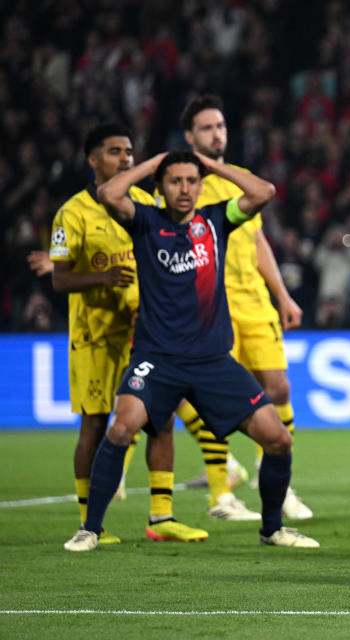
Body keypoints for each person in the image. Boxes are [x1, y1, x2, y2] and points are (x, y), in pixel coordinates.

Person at [63, 150, 318, 551]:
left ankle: (273, 529)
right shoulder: (146, 222)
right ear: (160, 187)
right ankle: (90, 529)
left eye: (191, 181)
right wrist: (155, 162)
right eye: (175, 181)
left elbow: (264, 191)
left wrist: (211, 165)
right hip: (157, 358)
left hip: (213, 361)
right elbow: (110, 194)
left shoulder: (216, 220)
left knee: (278, 440)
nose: (185, 189)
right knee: (120, 427)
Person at [44, 123, 207, 545]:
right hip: (96, 335)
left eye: (129, 151)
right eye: (115, 152)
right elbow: (60, 281)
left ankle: (162, 515)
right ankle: (88, 519)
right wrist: (102, 275)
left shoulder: (146, 203)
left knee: (162, 419)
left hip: (146, 334)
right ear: (93, 159)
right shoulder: (72, 213)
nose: (125, 158)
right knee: (96, 426)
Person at [173, 95, 312, 522]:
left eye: (221, 126)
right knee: (214, 400)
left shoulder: (241, 179)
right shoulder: (184, 184)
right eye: (208, 128)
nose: (218, 134)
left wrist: (282, 294)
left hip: (254, 302)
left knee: (280, 388)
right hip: (211, 307)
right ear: (190, 136)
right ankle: (220, 496)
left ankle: (280, 483)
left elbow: (256, 240)